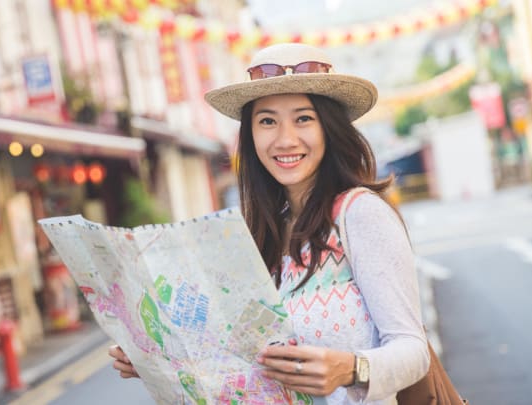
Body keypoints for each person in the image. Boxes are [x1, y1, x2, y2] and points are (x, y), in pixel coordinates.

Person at [110, 42, 429, 404]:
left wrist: (353, 368)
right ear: (251, 136)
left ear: (329, 127)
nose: (285, 139)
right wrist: (157, 358)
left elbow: (412, 350)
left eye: (303, 118)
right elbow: (242, 363)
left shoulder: (360, 214)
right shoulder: (263, 233)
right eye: (267, 121)